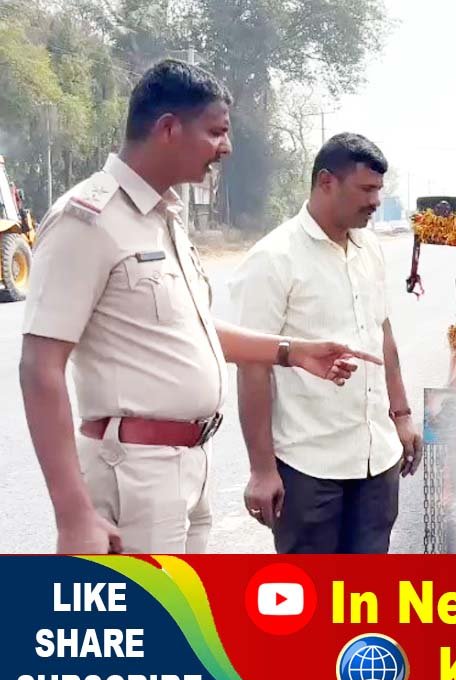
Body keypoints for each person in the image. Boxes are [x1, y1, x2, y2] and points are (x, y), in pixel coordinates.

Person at [18, 60, 381, 555]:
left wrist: (292, 351)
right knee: (142, 607)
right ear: (169, 128)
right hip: (134, 474)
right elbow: (40, 366)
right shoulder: (88, 219)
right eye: (216, 132)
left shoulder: (164, 217)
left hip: (188, 466)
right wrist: (73, 513)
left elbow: (192, 329)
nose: (225, 147)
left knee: (183, 605)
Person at [230, 133, 422, 554]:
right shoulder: (274, 258)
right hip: (309, 467)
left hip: (376, 460)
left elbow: (383, 334)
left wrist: (402, 415)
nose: (376, 201)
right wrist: (262, 470)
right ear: (326, 182)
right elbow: (252, 366)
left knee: (365, 590)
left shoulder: (369, 248)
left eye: (378, 190)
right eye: (366, 189)